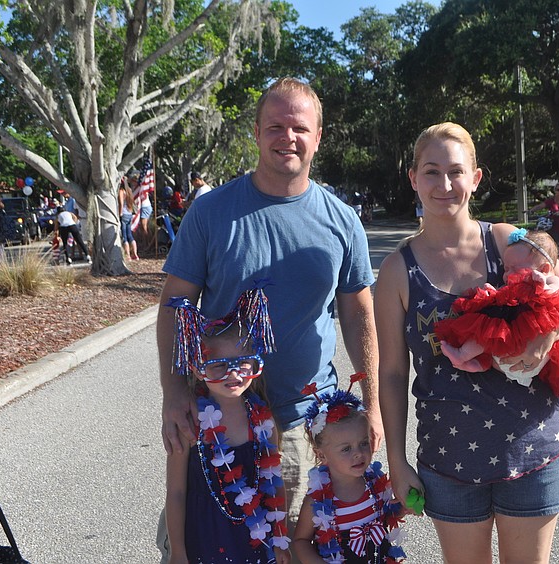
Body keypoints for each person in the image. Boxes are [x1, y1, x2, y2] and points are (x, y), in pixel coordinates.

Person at [156, 77, 381, 556]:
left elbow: (360, 314)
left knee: (290, 548)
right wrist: (175, 390)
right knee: (204, 544)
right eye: (275, 125)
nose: (288, 137)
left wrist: (374, 403)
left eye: (299, 126)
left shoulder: (341, 221)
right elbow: (176, 304)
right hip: (222, 415)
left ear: (318, 136)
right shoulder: (211, 212)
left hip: (302, 421)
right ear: (256, 132)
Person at [374, 122, 559, 563]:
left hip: (533, 450)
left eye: (456, 172)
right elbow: (393, 372)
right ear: (414, 178)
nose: (444, 184)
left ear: (475, 179)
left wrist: (547, 335)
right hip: (449, 461)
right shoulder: (396, 272)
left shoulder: (506, 241)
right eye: (431, 171)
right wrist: (398, 462)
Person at [164, 293, 290, 564]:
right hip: (204, 537)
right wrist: (177, 552)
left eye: (242, 364)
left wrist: (280, 539)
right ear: (198, 369)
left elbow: (275, 484)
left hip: (256, 536)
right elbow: (175, 493)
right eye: (219, 366)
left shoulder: (263, 420)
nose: (233, 375)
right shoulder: (190, 423)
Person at [435, 228, 559, 397]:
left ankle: (466, 356)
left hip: (536, 342)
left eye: (514, 268)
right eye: (506, 268)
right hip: (514, 347)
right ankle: (472, 360)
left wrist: (542, 284)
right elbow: (503, 300)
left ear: (544, 269)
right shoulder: (515, 288)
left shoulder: (551, 279)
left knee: (491, 331)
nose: (507, 274)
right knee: (488, 331)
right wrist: (491, 294)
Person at [293, 376, 407, 563]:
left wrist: (401, 509)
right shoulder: (318, 500)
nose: (358, 453)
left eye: (363, 443)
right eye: (346, 449)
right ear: (321, 455)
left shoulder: (374, 484)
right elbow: (301, 540)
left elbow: (384, 517)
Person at [530, 182, 559, 262]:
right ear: (555, 191)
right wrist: (532, 210)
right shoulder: (551, 201)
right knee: (555, 249)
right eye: (558, 189)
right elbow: (541, 206)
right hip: (554, 229)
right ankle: (557, 266)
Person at [118, 181, 139, 261]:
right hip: (130, 214)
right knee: (130, 235)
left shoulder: (121, 191)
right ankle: (135, 254)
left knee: (124, 236)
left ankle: (128, 255)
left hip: (123, 214)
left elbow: (121, 203)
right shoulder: (129, 191)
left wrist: (120, 213)